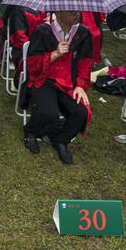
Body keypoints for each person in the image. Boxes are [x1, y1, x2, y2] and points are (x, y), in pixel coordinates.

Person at [21, 11, 93, 164]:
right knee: (49, 113)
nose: (77, 13)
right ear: (58, 12)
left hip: (69, 83)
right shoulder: (42, 31)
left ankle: (61, 140)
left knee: (81, 113)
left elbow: (85, 62)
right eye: (71, 10)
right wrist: (54, 54)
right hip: (43, 79)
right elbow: (32, 64)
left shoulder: (83, 33)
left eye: (78, 9)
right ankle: (30, 131)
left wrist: (80, 86)